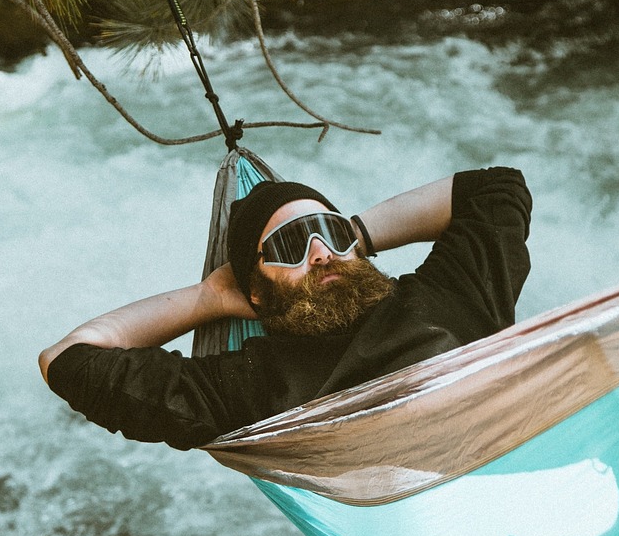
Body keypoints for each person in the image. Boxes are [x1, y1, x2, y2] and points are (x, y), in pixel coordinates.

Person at [40, 166, 532, 450]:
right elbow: (68, 360)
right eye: (290, 244)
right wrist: (205, 298)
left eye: (331, 234)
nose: (321, 252)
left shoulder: (453, 292)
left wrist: (357, 232)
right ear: (254, 291)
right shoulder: (247, 389)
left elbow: (497, 188)